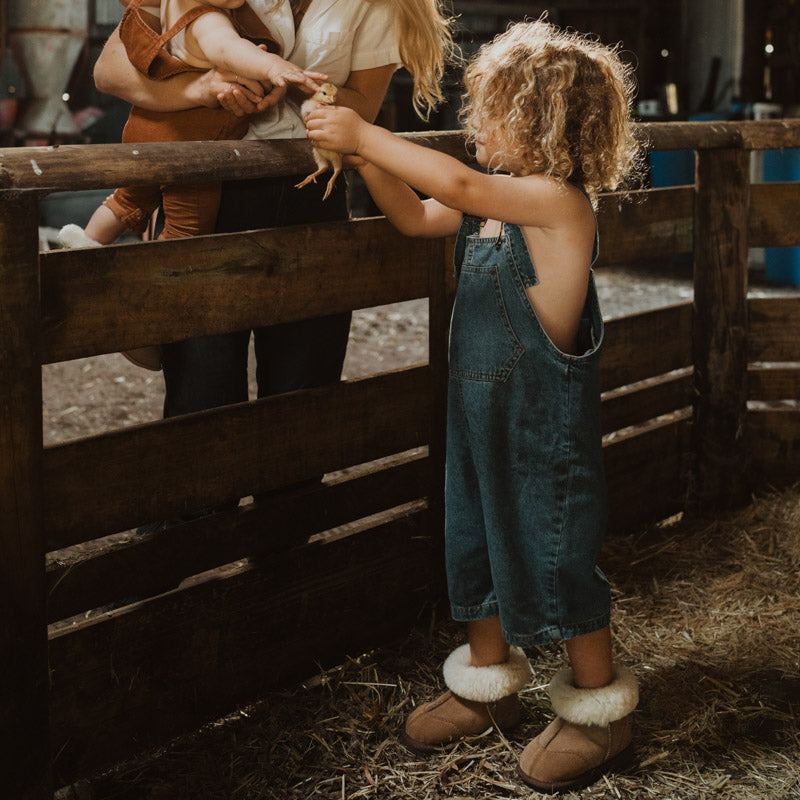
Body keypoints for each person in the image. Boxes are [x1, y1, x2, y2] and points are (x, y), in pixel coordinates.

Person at [305, 18, 642, 793]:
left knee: (554, 559)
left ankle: (600, 712)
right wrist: (366, 151)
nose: (473, 126)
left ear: (537, 123)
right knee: (475, 546)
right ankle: (487, 688)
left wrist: (365, 128)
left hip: (539, 436)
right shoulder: (495, 211)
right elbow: (418, 212)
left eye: (488, 112)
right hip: (477, 425)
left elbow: (454, 184)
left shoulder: (557, 207)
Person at [90, 0, 455, 511]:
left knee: (303, 390)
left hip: (314, 193)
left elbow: (364, 110)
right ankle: (186, 544)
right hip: (211, 187)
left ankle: (286, 551)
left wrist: (285, 82)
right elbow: (110, 70)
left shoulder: (379, 4)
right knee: (202, 385)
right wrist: (197, 89)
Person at [59, 0, 325, 370]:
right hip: (192, 151)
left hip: (149, 130)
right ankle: (139, 316)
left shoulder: (166, 10)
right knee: (186, 233)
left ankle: (82, 247)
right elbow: (226, 48)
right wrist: (273, 66)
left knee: (126, 199)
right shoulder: (206, 17)